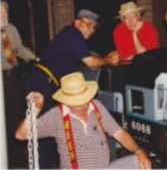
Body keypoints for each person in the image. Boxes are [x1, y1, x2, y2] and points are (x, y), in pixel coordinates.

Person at [25, 9, 120, 168]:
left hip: (45, 82)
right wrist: (109, 59)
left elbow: (88, 57)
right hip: (42, 82)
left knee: (47, 134)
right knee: (43, 132)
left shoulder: (70, 36)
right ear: (77, 23)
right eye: (88, 24)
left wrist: (102, 58)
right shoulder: (74, 35)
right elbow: (90, 62)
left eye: (93, 27)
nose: (91, 29)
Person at [16, 72, 152, 169]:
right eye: (77, 102)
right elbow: (21, 134)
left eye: (85, 99)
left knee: (137, 162)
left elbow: (120, 133)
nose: (83, 104)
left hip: (106, 168)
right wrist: (36, 109)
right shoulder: (57, 116)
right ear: (66, 101)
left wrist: (139, 151)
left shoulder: (96, 106)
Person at [1, 0, 39, 168]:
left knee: (16, 116)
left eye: (6, 14)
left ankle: (18, 159)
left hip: (11, 77)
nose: (4, 17)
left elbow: (19, 49)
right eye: (0, 15)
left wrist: (35, 58)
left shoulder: (11, 29)